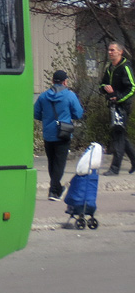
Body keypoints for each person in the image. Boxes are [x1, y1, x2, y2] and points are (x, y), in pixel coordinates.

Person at [34, 70, 84, 200]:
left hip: (48, 134)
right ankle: (54, 190)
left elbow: (36, 113)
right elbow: (78, 113)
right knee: (60, 163)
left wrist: (47, 119)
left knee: (52, 162)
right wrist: (67, 116)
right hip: (63, 133)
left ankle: (56, 188)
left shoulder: (43, 96)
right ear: (65, 82)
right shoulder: (70, 96)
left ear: (52, 81)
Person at [100, 40, 135, 175]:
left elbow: (132, 88)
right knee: (120, 135)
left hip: (123, 107)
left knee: (118, 136)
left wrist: (118, 97)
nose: (110, 52)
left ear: (120, 52)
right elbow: (101, 85)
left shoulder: (125, 67)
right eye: (109, 50)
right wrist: (106, 90)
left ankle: (115, 169)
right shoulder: (110, 68)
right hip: (113, 106)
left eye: (112, 50)